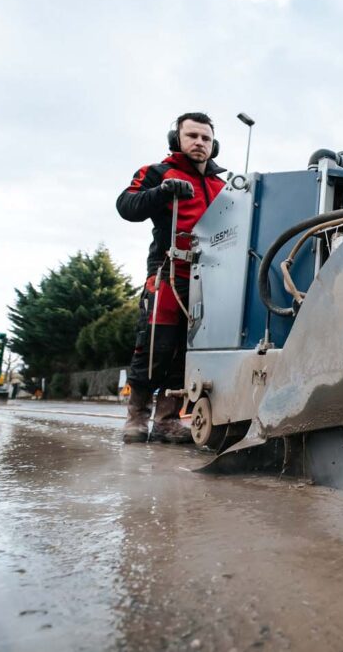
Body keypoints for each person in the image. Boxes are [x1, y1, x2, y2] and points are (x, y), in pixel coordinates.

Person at [116, 112, 226, 443]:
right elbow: (127, 206)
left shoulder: (222, 185)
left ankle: (166, 419)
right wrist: (163, 192)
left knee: (187, 349)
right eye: (192, 136)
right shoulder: (158, 173)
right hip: (168, 272)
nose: (199, 143)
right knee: (154, 345)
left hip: (209, 278)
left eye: (205, 138)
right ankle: (136, 417)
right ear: (176, 139)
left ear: (214, 145)